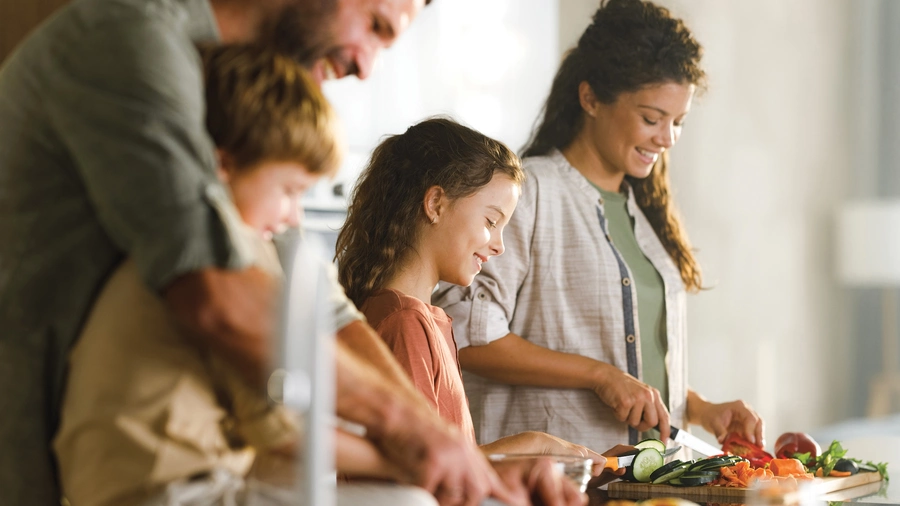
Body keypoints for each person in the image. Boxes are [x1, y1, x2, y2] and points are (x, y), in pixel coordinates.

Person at [0, 0, 497, 505]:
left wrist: (454, 455)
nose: (366, 68)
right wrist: (423, 449)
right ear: (223, 163)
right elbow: (220, 300)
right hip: (34, 442)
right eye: (374, 26)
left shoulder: (238, 120)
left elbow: (323, 309)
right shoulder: (129, 40)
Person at [433, 0, 765, 456]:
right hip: (553, 483)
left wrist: (702, 408)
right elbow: (464, 335)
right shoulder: (528, 193)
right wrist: (598, 376)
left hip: (640, 482)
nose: (666, 139)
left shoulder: (642, 214)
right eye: (652, 118)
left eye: (677, 123)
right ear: (590, 99)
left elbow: (631, 365)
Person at [335, 117, 630, 503]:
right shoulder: (404, 323)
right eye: (491, 221)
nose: (498, 246)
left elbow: (444, 463)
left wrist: (540, 453)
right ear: (435, 203)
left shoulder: (424, 319)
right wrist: (526, 451)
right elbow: (419, 482)